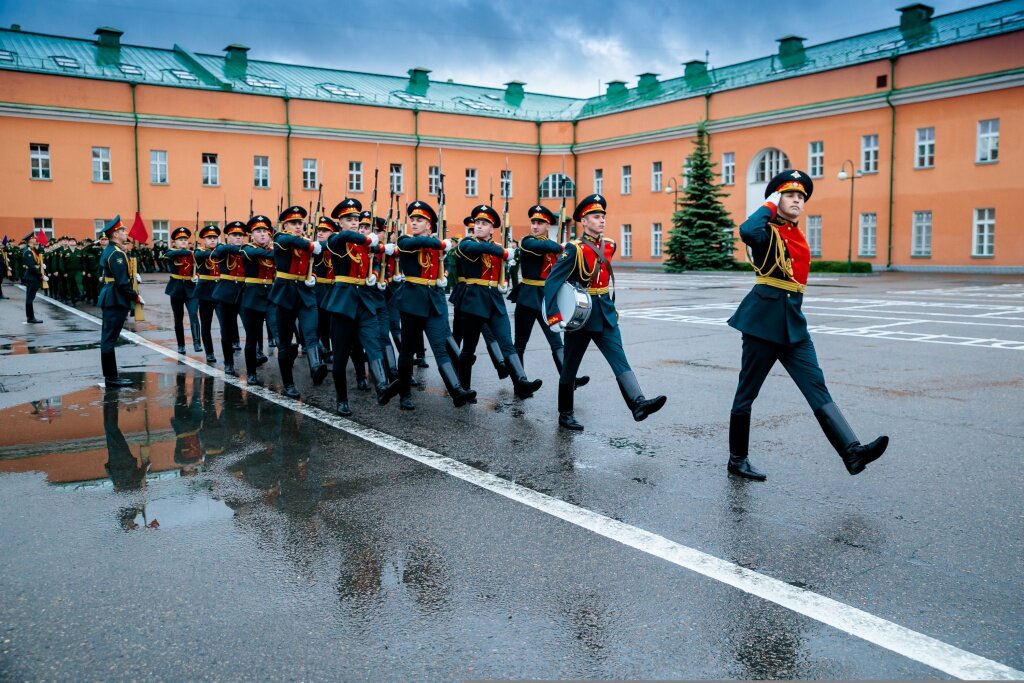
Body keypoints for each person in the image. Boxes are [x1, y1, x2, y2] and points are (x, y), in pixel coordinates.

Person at [726, 170, 888, 480]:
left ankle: (851, 452)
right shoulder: (766, 230)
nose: (797, 200)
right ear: (777, 198)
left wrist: (779, 205)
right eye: (790, 195)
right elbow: (747, 230)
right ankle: (737, 459)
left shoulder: (798, 235)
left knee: (816, 385)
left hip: (794, 325)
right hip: (762, 323)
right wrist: (770, 205)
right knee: (747, 393)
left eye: (801, 197)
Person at [544, 194, 666, 430]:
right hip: (581, 315)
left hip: (606, 313)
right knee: (570, 365)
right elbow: (552, 282)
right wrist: (554, 315)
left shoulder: (609, 245)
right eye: (596, 217)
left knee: (619, 358)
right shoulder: (574, 249)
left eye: (603, 217)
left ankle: (637, 403)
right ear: (584, 220)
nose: (602, 221)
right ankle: (565, 413)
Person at [392, 200, 475, 410]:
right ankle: (404, 395)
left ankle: (456, 390)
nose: (414, 222)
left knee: (440, 348)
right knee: (407, 350)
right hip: (412, 300)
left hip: (434, 301)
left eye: (420, 220)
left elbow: (443, 262)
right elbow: (409, 246)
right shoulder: (405, 240)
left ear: (430, 225)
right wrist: (440, 243)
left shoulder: (436, 244)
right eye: (412, 219)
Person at [454, 204, 542, 399]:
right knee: (469, 347)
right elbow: (479, 247)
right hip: (473, 300)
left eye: (484, 224)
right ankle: (463, 388)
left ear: (492, 229)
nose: (478, 226)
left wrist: (504, 277)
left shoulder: (496, 248)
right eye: (477, 222)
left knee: (506, 343)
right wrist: (503, 252)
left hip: (494, 300)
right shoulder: (466, 243)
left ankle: (521, 380)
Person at [323, 201, 399, 416]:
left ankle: (382, 386)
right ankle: (342, 399)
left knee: (373, 344)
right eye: (349, 220)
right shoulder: (335, 240)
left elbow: (375, 255)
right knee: (341, 354)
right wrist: (369, 239)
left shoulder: (363, 243)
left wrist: (383, 254)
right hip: (343, 302)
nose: (354, 223)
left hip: (365, 301)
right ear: (340, 222)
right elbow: (350, 238)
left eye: (357, 220)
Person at [510, 204, 588, 388]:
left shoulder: (555, 248)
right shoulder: (528, 242)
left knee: (556, 341)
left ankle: (569, 379)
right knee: (520, 342)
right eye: (533, 222)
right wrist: (561, 247)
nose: (535, 226)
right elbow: (542, 245)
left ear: (548, 226)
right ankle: (520, 382)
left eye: (540, 223)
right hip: (528, 298)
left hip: (548, 299)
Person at [269, 205, 329, 400]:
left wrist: (313, 275)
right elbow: (288, 240)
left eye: (300, 223)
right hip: (285, 292)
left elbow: (319, 262)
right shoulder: (280, 239)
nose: (297, 226)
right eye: (293, 223)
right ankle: (288, 384)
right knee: (285, 343)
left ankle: (316, 366)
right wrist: (311, 245)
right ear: (285, 224)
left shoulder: (305, 241)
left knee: (312, 333)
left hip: (305, 292)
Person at [96, 215, 143, 387]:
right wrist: (135, 296)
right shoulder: (116, 253)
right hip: (115, 298)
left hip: (111, 296)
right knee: (109, 339)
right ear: (115, 234)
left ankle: (111, 376)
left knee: (107, 338)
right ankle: (111, 378)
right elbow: (122, 282)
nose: (125, 232)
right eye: (122, 230)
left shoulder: (110, 250)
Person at [239, 215, 277, 386]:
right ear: (251, 234)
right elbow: (258, 254)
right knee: (251, 338)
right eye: (258, 231)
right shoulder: (246, 248)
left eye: (265, 231)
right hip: (252, 297)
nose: (262, 234)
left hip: (271, 296)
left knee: (280, 333)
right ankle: (251, 372)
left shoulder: (272, 249)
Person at [212, 221, 248, 377]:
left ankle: (256, 355)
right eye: (235, 235)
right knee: (226, 331)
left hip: (245, 292)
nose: (238, 238)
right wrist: (241, 249)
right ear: (227, 237)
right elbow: (218, 251)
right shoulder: (222, 249)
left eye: (241, 235)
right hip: (226, 293)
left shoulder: (248, 250)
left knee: (251, 328)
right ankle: (228, 362)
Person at [163, 226, 199, 354]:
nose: (184, 241)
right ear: (174, 242)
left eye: (185, 239)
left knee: (194, 314)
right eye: (180, 239)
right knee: (178, 319)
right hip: (176, 289)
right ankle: (181, 345)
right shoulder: (171, 253)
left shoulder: (193, 254)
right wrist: (185, 252)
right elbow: (166, 256)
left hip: (191, 288)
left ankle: (197, 342)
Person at [193, 225, 222, 364]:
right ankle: (209, 352)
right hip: (205, 292)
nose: (212, 240)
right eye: (209, 238)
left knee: (225, 324)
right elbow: (201, 256)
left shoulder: (220, 250)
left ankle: (231, 346)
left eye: (215, 238)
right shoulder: (199, 251)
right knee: (206, 325)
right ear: (204, 240)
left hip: (220, 290)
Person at [21, 232, 46, 323]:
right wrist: (40, 274)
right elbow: (31, 266)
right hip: (32, 277)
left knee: (30, 298)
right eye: (33, 239)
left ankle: (30, 317)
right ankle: (31, 318)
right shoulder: (28, 252)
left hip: (32, 277)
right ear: (29, 241)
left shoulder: (32, 251)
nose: (35, 239)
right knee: (30, 298)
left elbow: (36, 261)